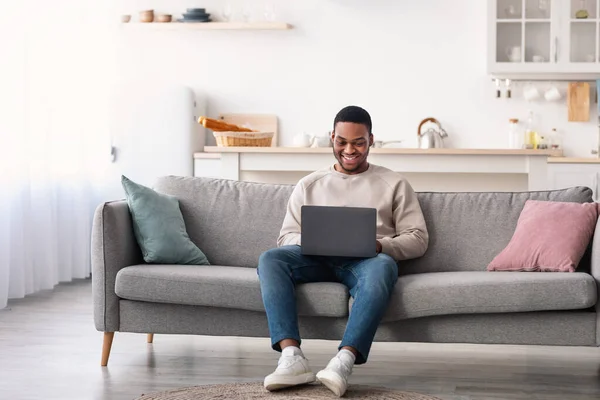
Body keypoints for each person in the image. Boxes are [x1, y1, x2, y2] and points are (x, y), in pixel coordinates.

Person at [257, 105, 429, 397]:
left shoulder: (394, 183)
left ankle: (343, 362)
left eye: (358, 142)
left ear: (371, 140)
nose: (349, 149)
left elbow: (418, 238)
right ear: (331, 138)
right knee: (270, 260)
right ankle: (291, 358)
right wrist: (310, 240)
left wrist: (379, 245)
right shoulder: (309, 184)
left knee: (385, 265)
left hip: (367, 261)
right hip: (313, 258)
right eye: (342, 141)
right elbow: (285, 236)